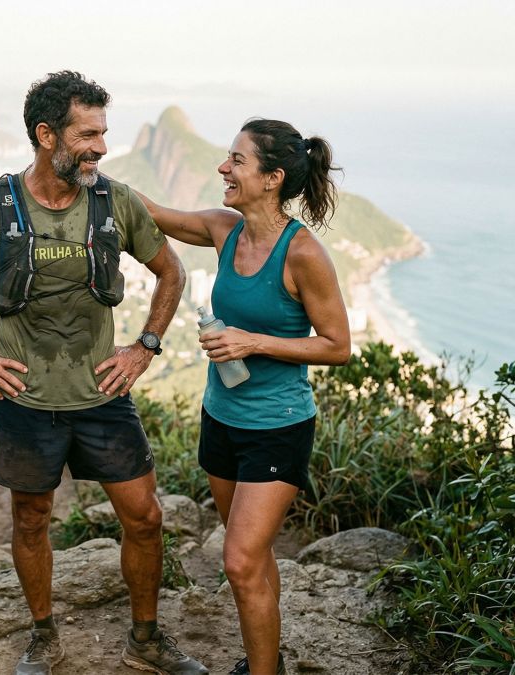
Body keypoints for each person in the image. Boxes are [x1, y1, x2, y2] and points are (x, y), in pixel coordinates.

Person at [0, 71, 208, 675]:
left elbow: (172, 273)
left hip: (101, 394)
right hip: (26, 398)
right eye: (87, 134)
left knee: (146, 518)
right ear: (47, 136)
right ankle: (44, 639)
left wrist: (145, 346)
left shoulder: (115, 201)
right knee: (31, 519)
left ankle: (145, 640)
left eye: (104, 133)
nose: (100, 147)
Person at [138, 119, 350, 675]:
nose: (223, 168)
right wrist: (88, 170)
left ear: (273, 178)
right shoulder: (223, 230)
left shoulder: (303, 254)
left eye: (237, 160)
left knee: (237, 560)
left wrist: (250, 341)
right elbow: (153, 212)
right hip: (222, 417)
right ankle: (267, 660)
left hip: (277, 427)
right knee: (252, 559)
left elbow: (338, 347)